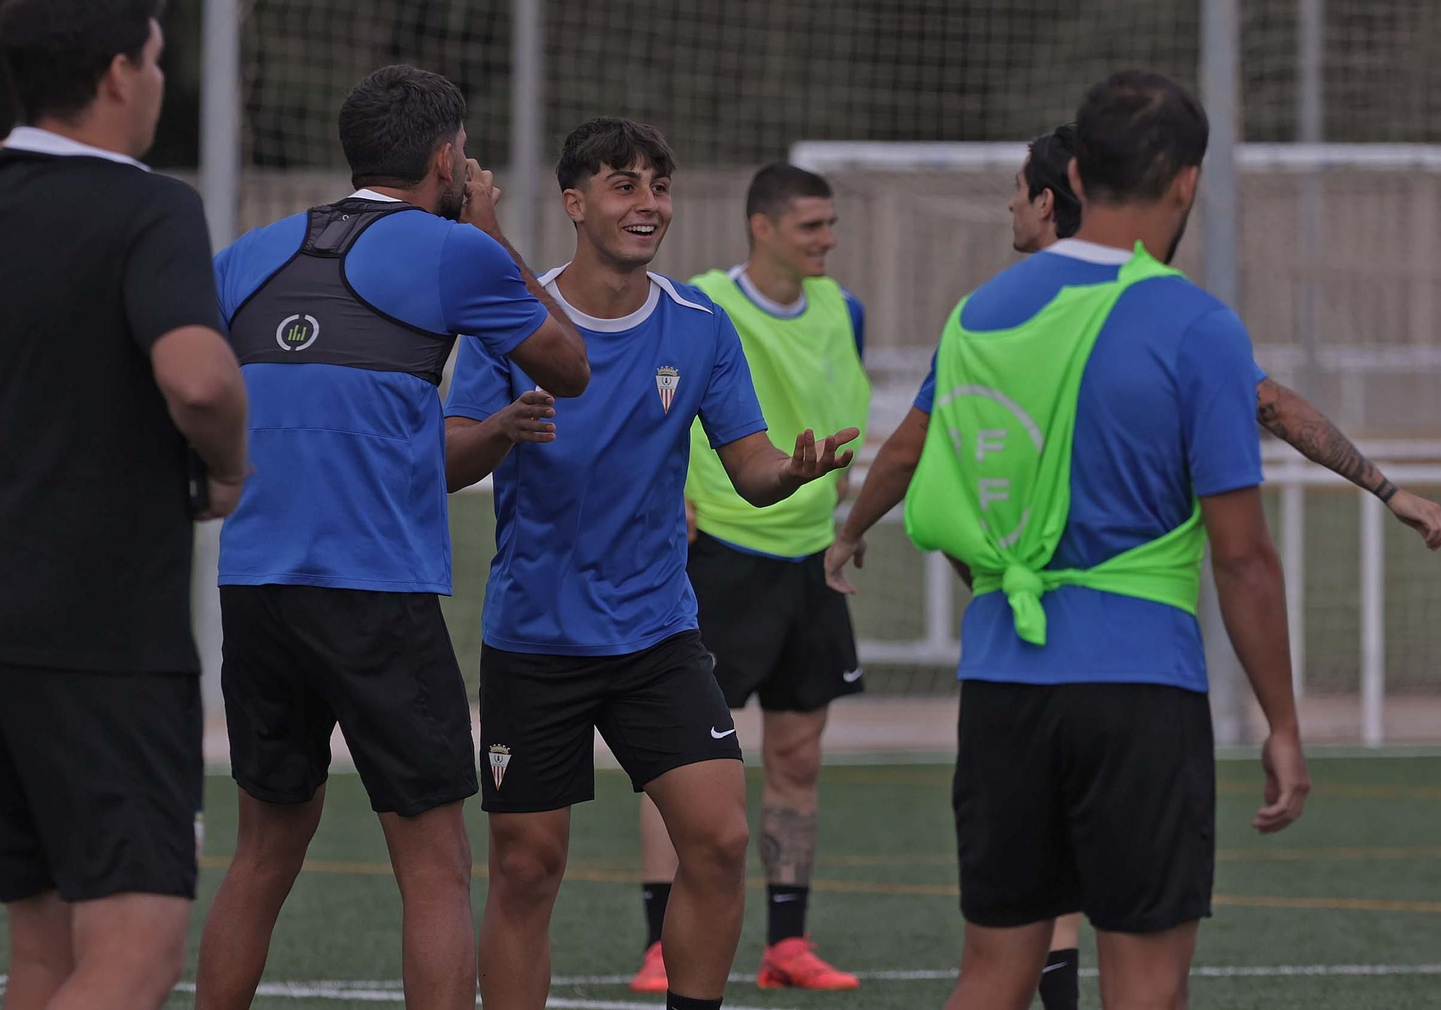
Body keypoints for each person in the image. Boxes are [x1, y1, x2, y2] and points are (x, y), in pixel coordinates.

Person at [831, 125, 1441, 1010]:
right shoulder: (1178, 318)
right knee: (1146, 982)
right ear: (1182, 185)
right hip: (1134, 679)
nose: (1008, 204)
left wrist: (849, 529)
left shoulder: (980, 317)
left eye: (1017, 188)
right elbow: (1252, 492)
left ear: (1059, 193)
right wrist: (1385, 490)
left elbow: (909, 451)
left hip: (1006, 673)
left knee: (989, 971)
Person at [443, 118, 859, 1010]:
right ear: (574, 202)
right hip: (536, 638)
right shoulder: (507, 318)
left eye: (659, 188)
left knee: (717, 839)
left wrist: (792, 470)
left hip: (656, 635)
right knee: (526, 867)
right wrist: (497, 431)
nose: (648, 205)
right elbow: (444, 461)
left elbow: (749, 469)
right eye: (624, 185)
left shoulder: (700, 326)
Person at [193, 65, 585, 1010]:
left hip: (254, 586)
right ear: (448, 157)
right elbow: (569, 366)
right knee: (437, 864)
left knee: (260, 853)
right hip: (375, 592)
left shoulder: (246, 253)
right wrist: (489, 231)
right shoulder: (458, 251)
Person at [0, 1, 249, 1008]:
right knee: (135, 950)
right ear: (115, 74)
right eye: (153, 60)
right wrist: (228, 464)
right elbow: (198, 378)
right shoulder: (148, 208)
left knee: (46, 950)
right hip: (100, 632)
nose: (156, 81)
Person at [627, 163, 870, 994]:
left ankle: (786, 943)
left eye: (831, 224)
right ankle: (662, 940)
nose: (827, 239)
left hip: (809, 558)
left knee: (798, 756)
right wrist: (674, 495)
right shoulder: (695, 302)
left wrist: (847, 523)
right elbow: (646, 399)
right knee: (681, 757)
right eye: (812, 225)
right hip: (721, 554)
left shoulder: (845, 311)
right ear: (761, 227)